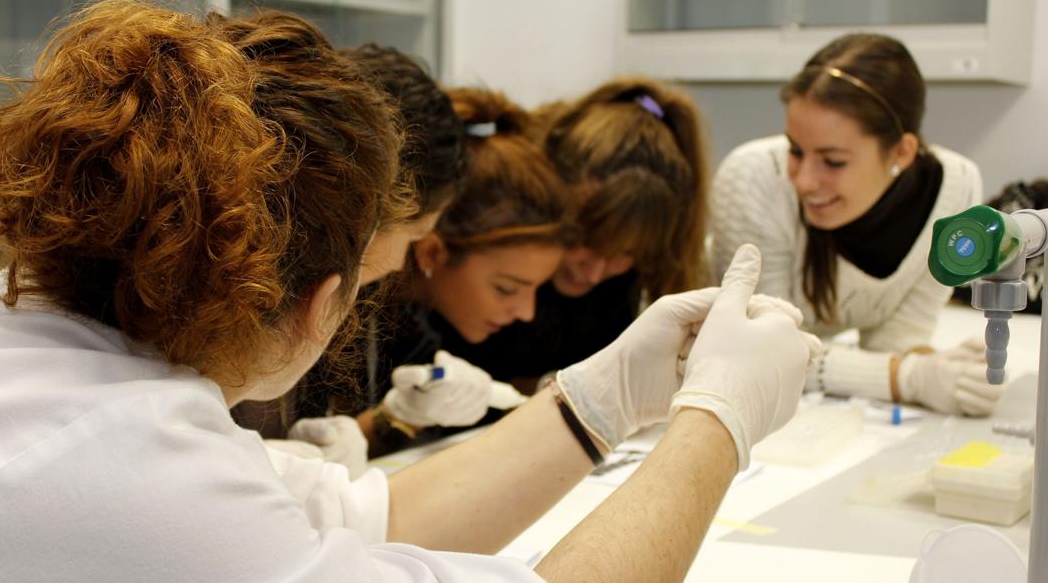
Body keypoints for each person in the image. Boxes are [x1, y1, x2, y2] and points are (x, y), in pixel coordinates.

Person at [0, 0, 819, 582]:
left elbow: (364, 519)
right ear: (323, 298)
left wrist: (601, 398)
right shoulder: (122, 465)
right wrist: (716, 420)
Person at [710, 32, 1004, 417]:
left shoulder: (957, 192)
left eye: (833, 161)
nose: (803, 181)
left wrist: (939, 367)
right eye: (795, 151)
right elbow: (764, 356)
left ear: (902, 152)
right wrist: (909, 377)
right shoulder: (753, 180)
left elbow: (895, 341)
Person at [228, 42, 468, 474]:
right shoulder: (256, 302)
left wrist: (390, 421)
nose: (401, 265)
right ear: (373, 204)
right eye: (413, 235)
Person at [441, 77, 712, 394]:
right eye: (585, 241)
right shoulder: (488, 251)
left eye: (623, 255)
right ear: (549, 198)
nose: (594, 272)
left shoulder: (619, 285)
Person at [349, 87, 579, 455]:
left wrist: (401, 415)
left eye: (537, 289)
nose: (526, 312)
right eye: (506, 288)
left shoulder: (420, 322)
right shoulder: (342, 301)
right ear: (433, 252)